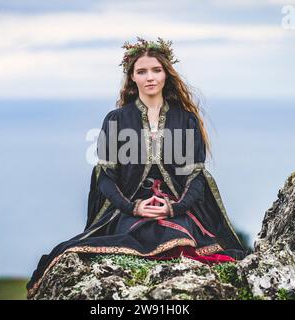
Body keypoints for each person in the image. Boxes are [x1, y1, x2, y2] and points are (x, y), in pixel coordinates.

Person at [26, 37, 246, 298]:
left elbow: (195, 177)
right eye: (141, 71)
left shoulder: (185, 119)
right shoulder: (116, 120)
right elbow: (105, 179)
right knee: (134, 233)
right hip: (128, 207)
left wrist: (174, 207)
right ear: (132, 78)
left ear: (166, 74)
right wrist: (133, 207)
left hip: (178, 206)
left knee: (180, 235)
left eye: (156, 70)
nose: (150, 77)